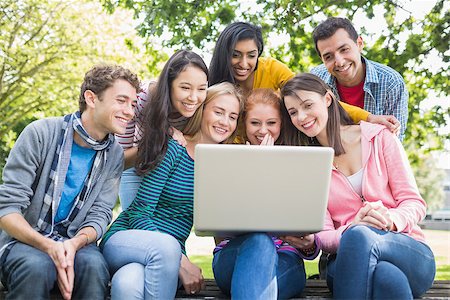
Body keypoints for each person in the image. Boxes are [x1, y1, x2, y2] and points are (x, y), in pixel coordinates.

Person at [280, 73, 435, 299]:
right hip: (346, 260)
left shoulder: (380, 138)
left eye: (307, 105)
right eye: (293, 112)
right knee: (385, 276)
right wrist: (355, 226)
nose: (301, 116)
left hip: (408, 251)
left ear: (328, 99)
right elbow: (324, 236)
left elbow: (414, 202)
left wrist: (390, 220)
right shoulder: (308, 166)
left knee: (364, 240)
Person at [0, 65, 140, 300]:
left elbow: (100, 214)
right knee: (37, 267)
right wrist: (48, 246)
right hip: (24, 241)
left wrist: (73, 244)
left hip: (75, 242)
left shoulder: (114, 154)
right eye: (122, 101)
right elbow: (7, 209)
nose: (129, 111)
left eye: (133, 104)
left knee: (94, 268)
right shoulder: (40, 134)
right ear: (91, 98)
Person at [100, 82, 244, 300]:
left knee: (127, 283)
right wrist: (180, 259)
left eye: (232, 116)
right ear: (202, 110)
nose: (225, 122)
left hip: (169, 255)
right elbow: (139, 212)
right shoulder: (175, 147)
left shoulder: (222, 166)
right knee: (165, 248)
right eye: (218, 112)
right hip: (127, 239)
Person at [212, 87, 319, 300]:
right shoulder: (225, 160)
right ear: (244, 123)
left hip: (285, 259)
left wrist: (310, 245)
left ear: (281, 123)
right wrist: (256, 167)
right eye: (255, 123)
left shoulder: (298, 164)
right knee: (260, 242)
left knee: (256, 282)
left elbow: (311, 244)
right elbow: (218, 232)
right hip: (234, 256)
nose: (263, 130)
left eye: (271, 123)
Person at [208, 21, 400, 139]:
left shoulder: (272, 69)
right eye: (235, 55)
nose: (244, 63)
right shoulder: (214, 85)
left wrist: (368, 118)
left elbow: (317, 100)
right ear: (224, 54)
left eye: (251, 55)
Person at [117, 50, 208, 209]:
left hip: (172, 175)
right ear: (169, 84)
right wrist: (162, 135)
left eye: (201, 89)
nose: (193, 98)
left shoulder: (203, 108)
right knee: (135, 225)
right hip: (137, 168)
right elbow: (120, 160)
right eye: (185, 88)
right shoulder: (141, 99)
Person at [311, 17, 408, 141]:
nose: (339, 62)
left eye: (344, 50)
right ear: (322, 60)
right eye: (329, 57)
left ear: (359, 44)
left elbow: (393, 140)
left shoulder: (391, 83)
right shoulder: (316, 80)